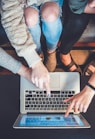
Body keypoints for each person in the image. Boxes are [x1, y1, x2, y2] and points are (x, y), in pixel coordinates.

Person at [0, 0, 63, 95]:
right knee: (29, 17)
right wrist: (34, 62)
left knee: (50, 14)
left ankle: (51, 51)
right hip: (25, 4)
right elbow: (11, 15)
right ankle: (37, 53)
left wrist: (32, 65)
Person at [59, 0, 95, 116]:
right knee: (77, 21)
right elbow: (75, 5)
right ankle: (64, 53)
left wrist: (90, 89)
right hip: (81, 5)